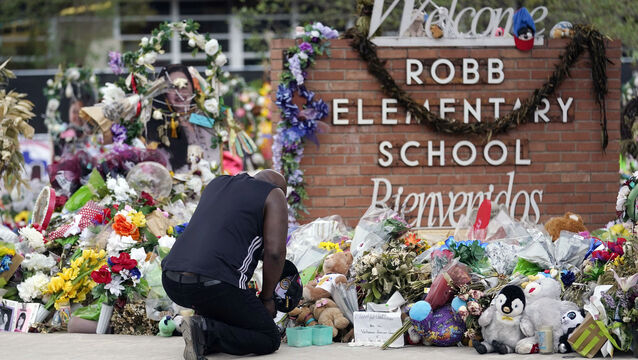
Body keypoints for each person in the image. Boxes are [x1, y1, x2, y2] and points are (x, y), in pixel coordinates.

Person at [161, 169, 288, 359]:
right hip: (214, 283)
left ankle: (201, 331)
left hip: (171, 278)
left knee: (227, 304)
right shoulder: (274, 194)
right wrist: (267, 299)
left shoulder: (218, 183)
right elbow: (276, 253)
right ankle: (205, 332)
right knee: (268, 337)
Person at [147, 64, 220, 172]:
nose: (180, 92)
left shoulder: (199, 117)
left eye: (185, 84)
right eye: (172, 87)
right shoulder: (158, 122)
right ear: (163, 93)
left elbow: (218, 139)